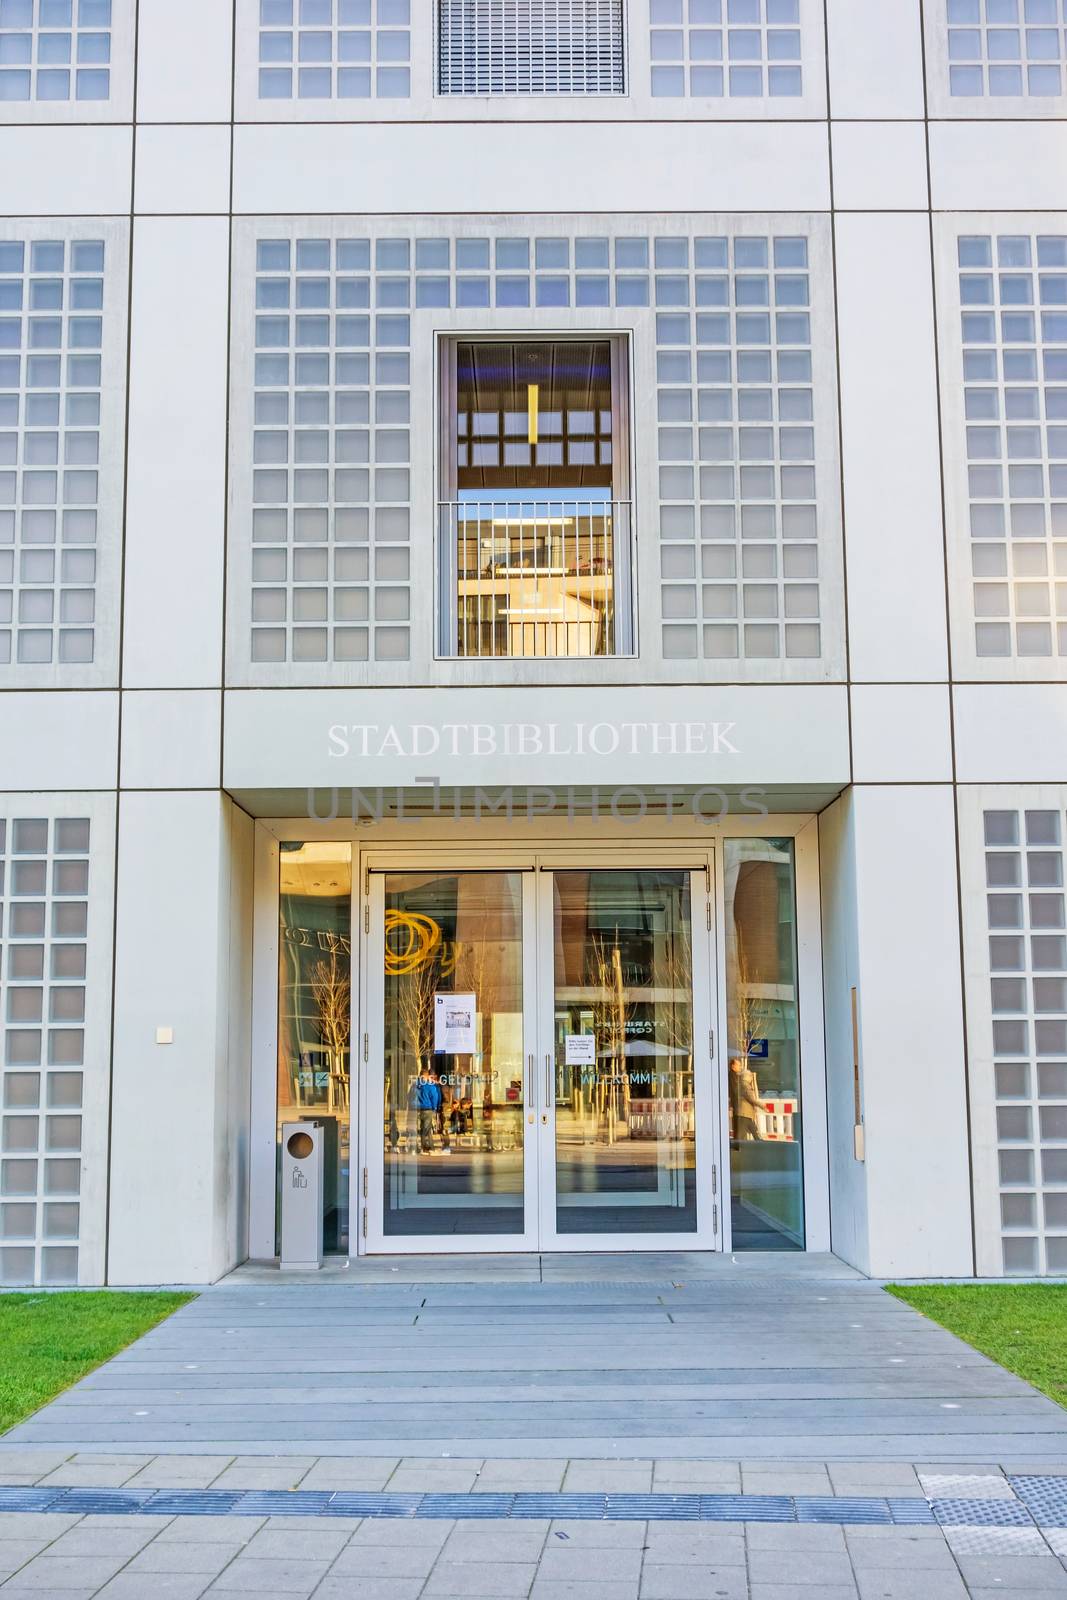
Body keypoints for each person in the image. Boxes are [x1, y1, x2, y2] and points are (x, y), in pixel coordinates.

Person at [728, 1054, 762, 1143]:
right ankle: (739, 1145)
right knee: (740, 1130)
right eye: (738, 1065)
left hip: (739, 1108)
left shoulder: (736, 1076)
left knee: (743, 1130)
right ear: (733, 1066)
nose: (740, 1067)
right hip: (738, 1107)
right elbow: (736, 1092)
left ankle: (741, 1144)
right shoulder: (733, 1077)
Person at [414, 1065, 441, 1152]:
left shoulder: (416, 1085)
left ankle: (431, 1147)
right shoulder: (429, 1085)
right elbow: (434, 1096)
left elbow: (411, 1096)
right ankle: (423, 1147)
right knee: (425, 1130)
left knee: (427, 1129)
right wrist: (435, 1107)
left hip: (419, 1109)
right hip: (428, 1109)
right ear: (427, 1076)